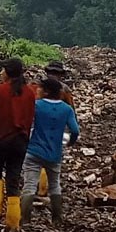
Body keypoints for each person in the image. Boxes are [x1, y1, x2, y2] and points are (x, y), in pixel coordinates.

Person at [0, 58, 36, 232]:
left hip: (0, 140)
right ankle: (13, 223)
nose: (0, 73)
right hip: (20, 142)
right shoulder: (29, 93)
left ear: (8, 72)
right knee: (13, 178)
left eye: (2, 69)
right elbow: (30, 118)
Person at [20, 77, 80, 227]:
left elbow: (25, 124)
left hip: (34, 150)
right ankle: (57, 218)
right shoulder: (66, 109)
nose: (37, 90)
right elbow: (75, 130)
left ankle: (25, 219)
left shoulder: (36, 105)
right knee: (55, 185)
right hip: (54, 153)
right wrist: (70, 143)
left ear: (46, 92)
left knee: (29, 185)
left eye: (39, 88)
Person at [36, 61, 76, 196]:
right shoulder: (64, 90)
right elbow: (71, 109)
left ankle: (40, 187)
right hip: (57, 129)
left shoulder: (39, 87)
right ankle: (45, 189)